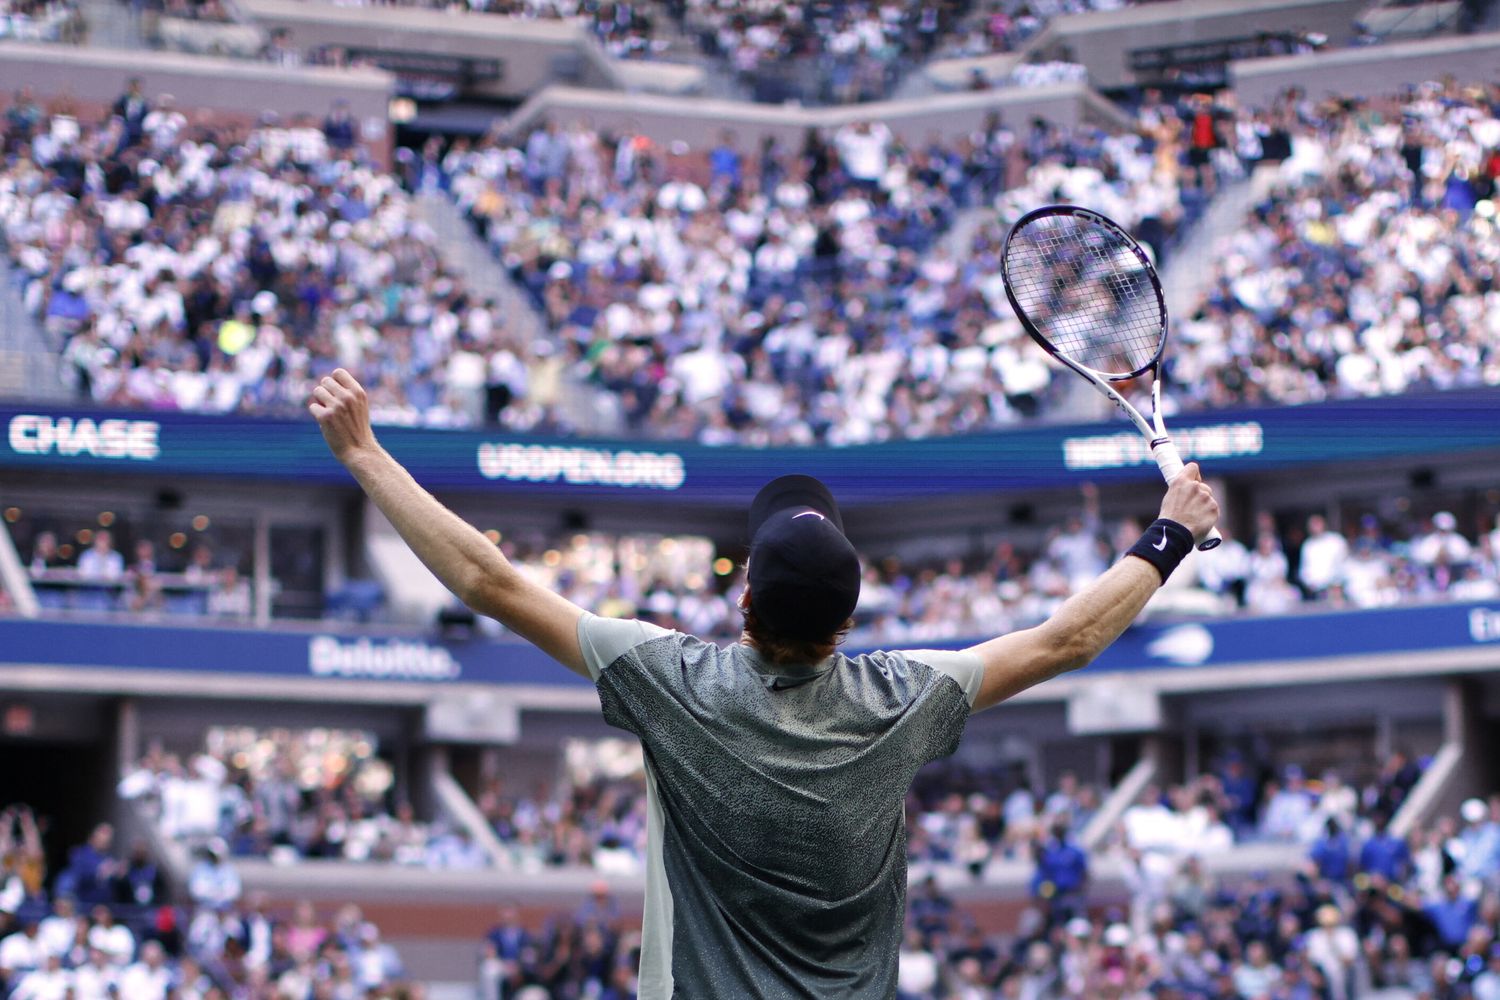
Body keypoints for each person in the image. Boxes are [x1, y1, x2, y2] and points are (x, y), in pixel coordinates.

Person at [308, 368, 1219, 999]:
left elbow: (489, 582)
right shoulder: (903, 698)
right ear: (851, 621)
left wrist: (365, 455)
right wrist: (1168, 534)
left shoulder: (670, 681)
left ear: (744, 597)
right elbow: (1071, 638)